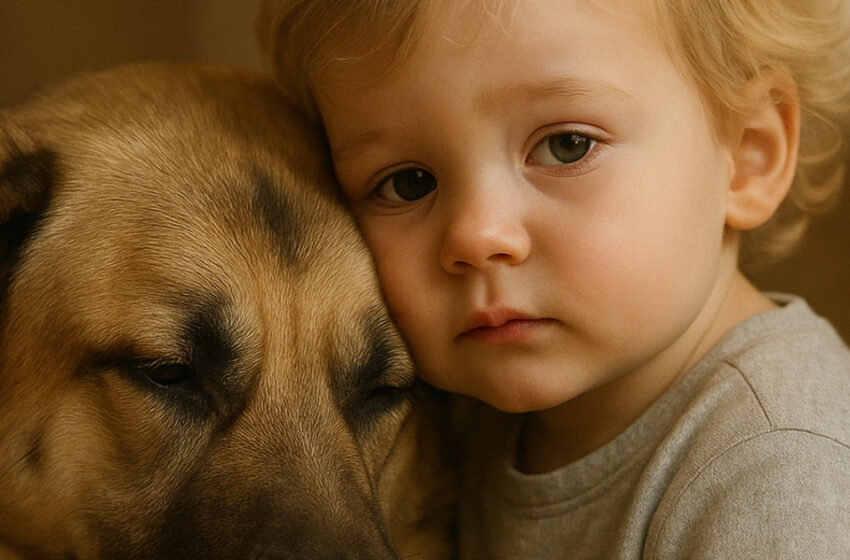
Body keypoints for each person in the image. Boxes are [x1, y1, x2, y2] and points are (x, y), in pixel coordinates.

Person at [256, 0, 850, 557]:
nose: (476, 236)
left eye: (566, 146)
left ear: (747, 155)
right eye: (408, 182)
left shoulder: (781, 466)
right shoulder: (466, 417)